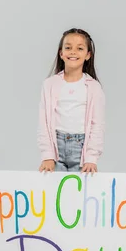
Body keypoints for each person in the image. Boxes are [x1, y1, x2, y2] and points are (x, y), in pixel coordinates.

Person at [37, 28, 105, 173]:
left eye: (79, 48)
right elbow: (44, 122)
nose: (73, 52)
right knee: (54, 192)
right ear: (61, 53)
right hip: (56, 148)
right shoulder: (49, 84)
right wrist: (47, 156)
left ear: (88, 55)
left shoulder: (93, 87)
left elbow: (97, 124)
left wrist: (91, 158)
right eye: (68, 48)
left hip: (81, 150)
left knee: (78, 193)